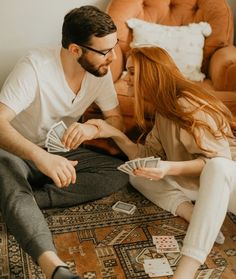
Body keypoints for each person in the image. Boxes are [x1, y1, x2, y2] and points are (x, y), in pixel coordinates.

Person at [0, 5, 129, 279]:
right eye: (105, 51)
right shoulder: (34, 67)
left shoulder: (100, 72)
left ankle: (23, 201)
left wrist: (94, 130)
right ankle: (55, 269)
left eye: (114, 46)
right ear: (75, 50)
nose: (113, 57)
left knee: (119, 172)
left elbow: (116, 120)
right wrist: (39, 157)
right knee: (8, 174)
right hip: (16, 152)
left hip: (61, 153)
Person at [87, 46, 236, 279]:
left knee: (217, 166)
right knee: (137, 172)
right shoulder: (163, 111)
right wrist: (113, 133)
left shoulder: (188, 102)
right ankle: (193, 213)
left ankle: (184, 273)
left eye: (133, 72)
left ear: (152, 73)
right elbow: (145, 154)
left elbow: (218, 162)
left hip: (228, 185)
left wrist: (169, 167)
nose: (127, 78)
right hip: (198, 185)